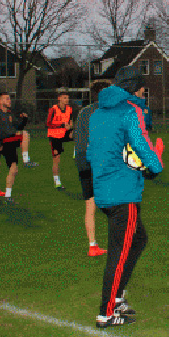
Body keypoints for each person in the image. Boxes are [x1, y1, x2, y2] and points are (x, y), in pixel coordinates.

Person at [88, 66, 163, 328]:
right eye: (142, 86)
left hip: (104, 190)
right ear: (134, 87)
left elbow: (91, 153)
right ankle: (107, 312)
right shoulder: (130, 112)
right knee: (119, 253)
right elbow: (141, 144)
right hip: (123, 193)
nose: (144, 90)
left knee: (138, 239)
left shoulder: (96, 114)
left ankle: (117, 297)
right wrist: (156, 167)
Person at [73, 81, 111, 257]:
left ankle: (92, 245)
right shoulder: (104, 112)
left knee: (90, 205)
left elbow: (78, 139)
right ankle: (120, 240)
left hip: (82, 161)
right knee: (115, 202)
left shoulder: (83, 113)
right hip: (98, 162)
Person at [0, 93, 29, 203]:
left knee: (14, 168)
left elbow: (18, 127)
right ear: (0, 101)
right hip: (2, 143)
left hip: (10, 142)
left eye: (10, 98)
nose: (10, 100)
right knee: (25, 134)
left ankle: (8, 195)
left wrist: (24, 119)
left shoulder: (10, 114)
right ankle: (26, 160)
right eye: (7, 99)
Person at [47, 92, 74, 190]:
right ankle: (57, 182)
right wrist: (61, 125)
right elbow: (48, 123)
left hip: (64, 133)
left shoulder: (69, 109)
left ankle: (77, 152)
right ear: (59, 98)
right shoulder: (53, 109)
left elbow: (71, 121)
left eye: (67, 98)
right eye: (64, 98)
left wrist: (70, 127)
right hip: (54, 136)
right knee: (56, 159)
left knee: (78, 135)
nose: (66, 100)